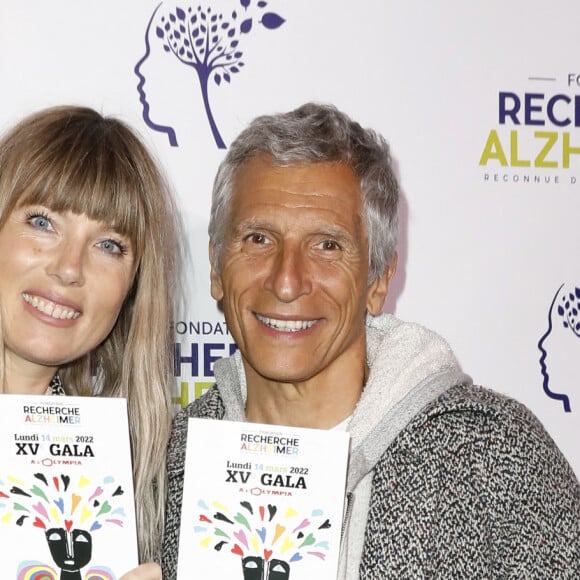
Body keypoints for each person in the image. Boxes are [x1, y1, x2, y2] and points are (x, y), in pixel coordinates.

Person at [162, 103, 580, 578]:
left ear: (379, 278)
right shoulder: (164, 466)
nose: (285, 281)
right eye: (258, 239)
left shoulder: (495, 457)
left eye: (327, 246)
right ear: (216, 268)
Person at [0, 105, 183, 579]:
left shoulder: (138, 474)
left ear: (133, 288)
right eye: (42, 222)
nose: (68, 267)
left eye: (109, 245)